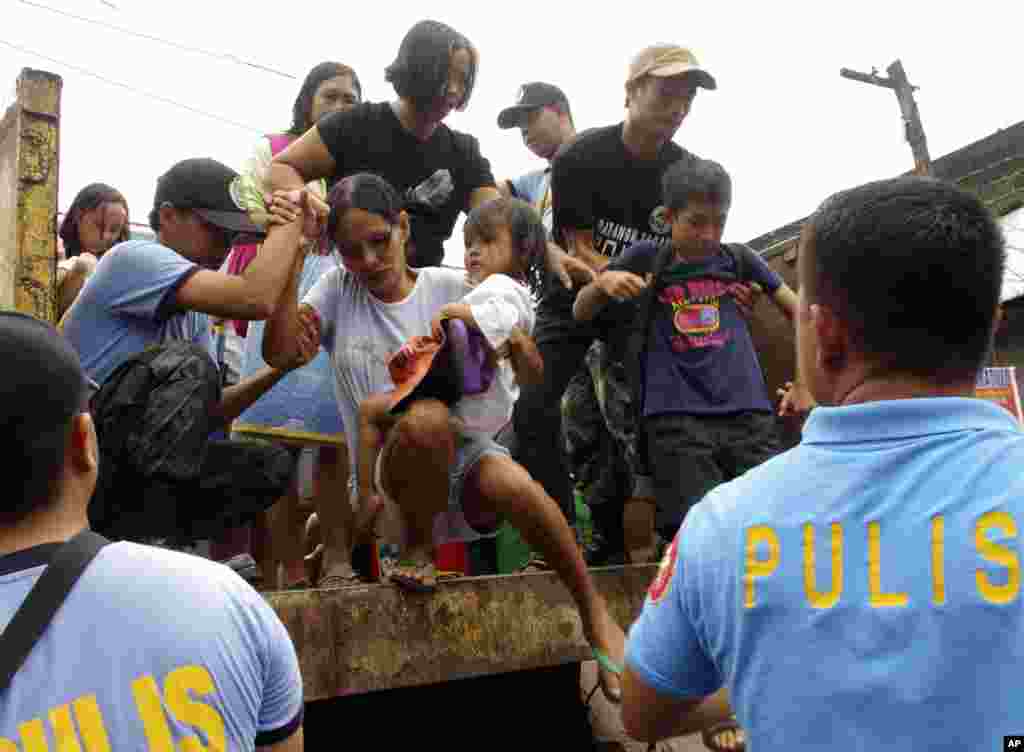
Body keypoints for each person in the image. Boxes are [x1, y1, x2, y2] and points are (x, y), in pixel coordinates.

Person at [621, 176, 1022, 750]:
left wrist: (762, 672)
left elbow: (642, 715)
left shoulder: (722, 525)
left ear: (825, 335)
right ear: (991, 327)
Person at [263, 174, 625, 701]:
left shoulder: (456, 287)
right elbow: (281, 352)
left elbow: (528, 376)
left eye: (379, 241)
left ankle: (594, 611)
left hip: (466, 453)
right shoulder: (338, 292)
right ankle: (413, 545)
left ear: (403, 227)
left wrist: (518, 346)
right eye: (350, 251)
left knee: (517, 484)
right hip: (395, 467)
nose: (367, 261)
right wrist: (295, 255)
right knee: (426, 417)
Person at [0, 312, 304, 750]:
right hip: (137, 531)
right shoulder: (227, 603)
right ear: (85, 443)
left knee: (268, 460)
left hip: (134, 515)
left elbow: (209, 417)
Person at [62, 158, 317, 545]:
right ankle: (154, 543)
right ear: (167, 216)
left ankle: (145, 535)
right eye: (214, 230)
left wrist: (280, 370)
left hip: (129, 470)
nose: (224, 246)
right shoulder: (132, 259)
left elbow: (207, 412)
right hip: (77, 455)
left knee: (268, 466)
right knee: (190, 363)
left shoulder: (196, 312)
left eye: (232, 236)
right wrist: (288, 223)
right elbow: (255, 298)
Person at [574, 158, 798, 538]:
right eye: (696, 222)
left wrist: (805, 383)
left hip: (748, 415)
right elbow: (580, 311)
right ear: (668, 217)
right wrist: (601, 285)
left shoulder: (739, 259)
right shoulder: (647, 259)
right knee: (700, 533)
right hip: (675, 420)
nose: (710, 234)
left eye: (720, 222)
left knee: (770, 523)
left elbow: (799, 312)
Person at [221, 61, 363, 589]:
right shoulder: (275, 148)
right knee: (272, 441)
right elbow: (250, 203)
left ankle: (338, 561)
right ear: (308, 102)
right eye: (331, 96)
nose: (341, 106)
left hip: (342, 298)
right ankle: (288, 568)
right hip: (281, 284)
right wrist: (300, 208)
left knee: (334, 440)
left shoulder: (361, 163)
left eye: (352, 98)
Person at [356, 196, 545, 589]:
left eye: (487, 241)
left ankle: (367, 495)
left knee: (373, 413)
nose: (473, 251)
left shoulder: (503, 287)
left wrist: (451, 314)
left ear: (523, 251)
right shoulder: (493, 287)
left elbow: (492, 323)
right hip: (470, 409)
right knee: (376, 412)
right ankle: (368, 499)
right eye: (469, 242)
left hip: (463, 408)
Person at [56, 183, 130, 318]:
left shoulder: (120, 270)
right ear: (79, 215)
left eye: (114, 230)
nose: (106, 236)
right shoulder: (53, 254)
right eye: (99, 225)